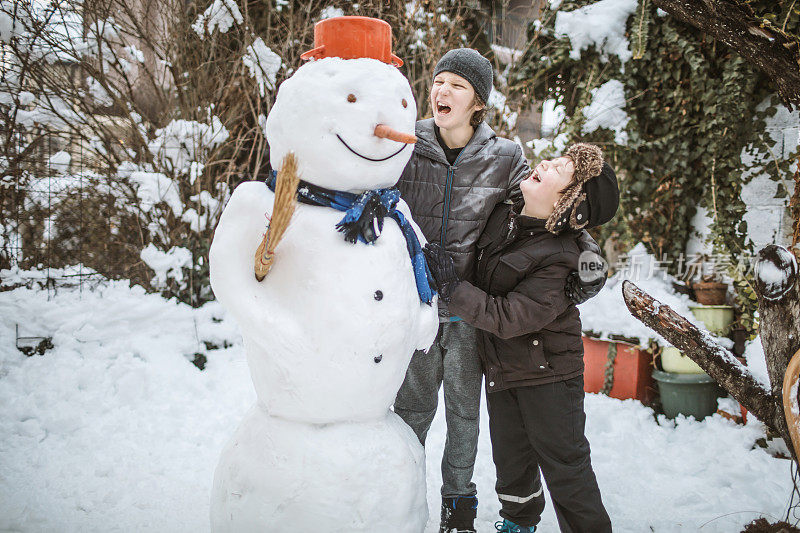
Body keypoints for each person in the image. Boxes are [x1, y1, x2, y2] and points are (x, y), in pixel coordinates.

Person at [393, 48, 605, 533]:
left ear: (478, 104)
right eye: (439, 81)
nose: (442, 91)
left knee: (465, 417)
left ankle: (458, 510)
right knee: (411, 412)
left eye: (458, 86)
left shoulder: (505, 156)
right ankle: (398, 500)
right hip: (417, 308)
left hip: (472, 312)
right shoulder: (407, 144)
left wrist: (590, 264)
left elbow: (553, 212)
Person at [423, 143, 619, 533]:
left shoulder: (563, 257)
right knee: (511, 463)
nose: (545, 162)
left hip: (549, 377)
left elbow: (510, 316)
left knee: (566, 468)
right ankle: (518, 523)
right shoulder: (507, 217)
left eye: (560, 170)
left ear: (570, 203)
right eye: (555, 159)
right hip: (503, 369)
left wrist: (452, 288)